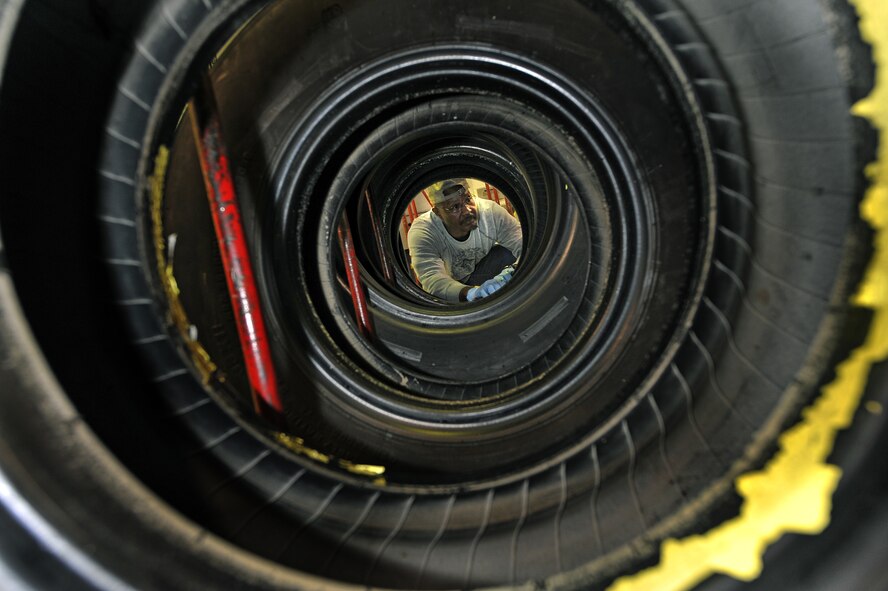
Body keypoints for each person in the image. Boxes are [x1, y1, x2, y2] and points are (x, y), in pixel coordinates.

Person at [407, 178, 522, 302]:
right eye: (455, 207)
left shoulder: (490, 212)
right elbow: (433, 280)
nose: (467, 210)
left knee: (506, 254)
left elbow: (524, 244)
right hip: (450, 287)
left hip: (479, 271)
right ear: (437, 213)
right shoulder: (424, 231)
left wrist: (510, 272)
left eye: (468, 199)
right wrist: (471, 293)